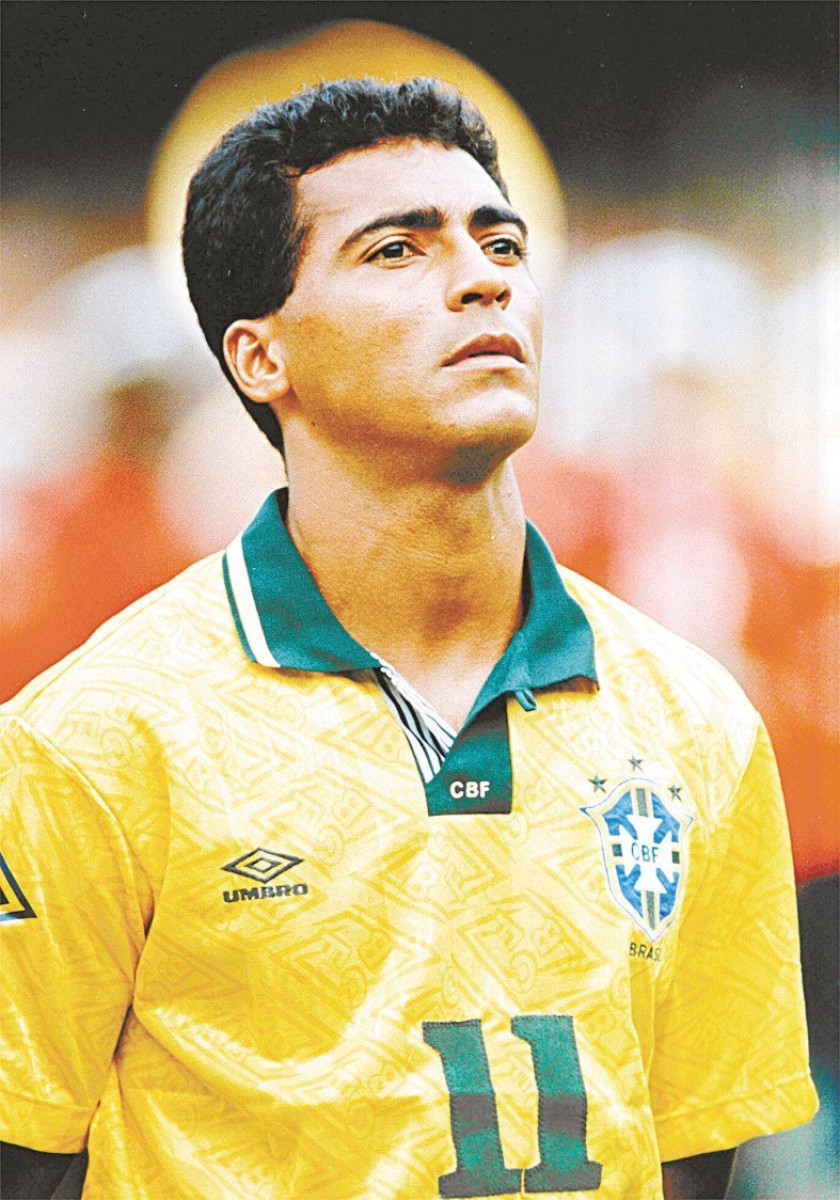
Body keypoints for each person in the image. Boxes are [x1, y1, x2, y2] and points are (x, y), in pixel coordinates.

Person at [0, 78, 817, 1200]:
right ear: (260, 358)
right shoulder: (92, 740)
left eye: (501, 242)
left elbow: (691, 1154)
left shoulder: (696, 721)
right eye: (397, 250)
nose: (484, 278)